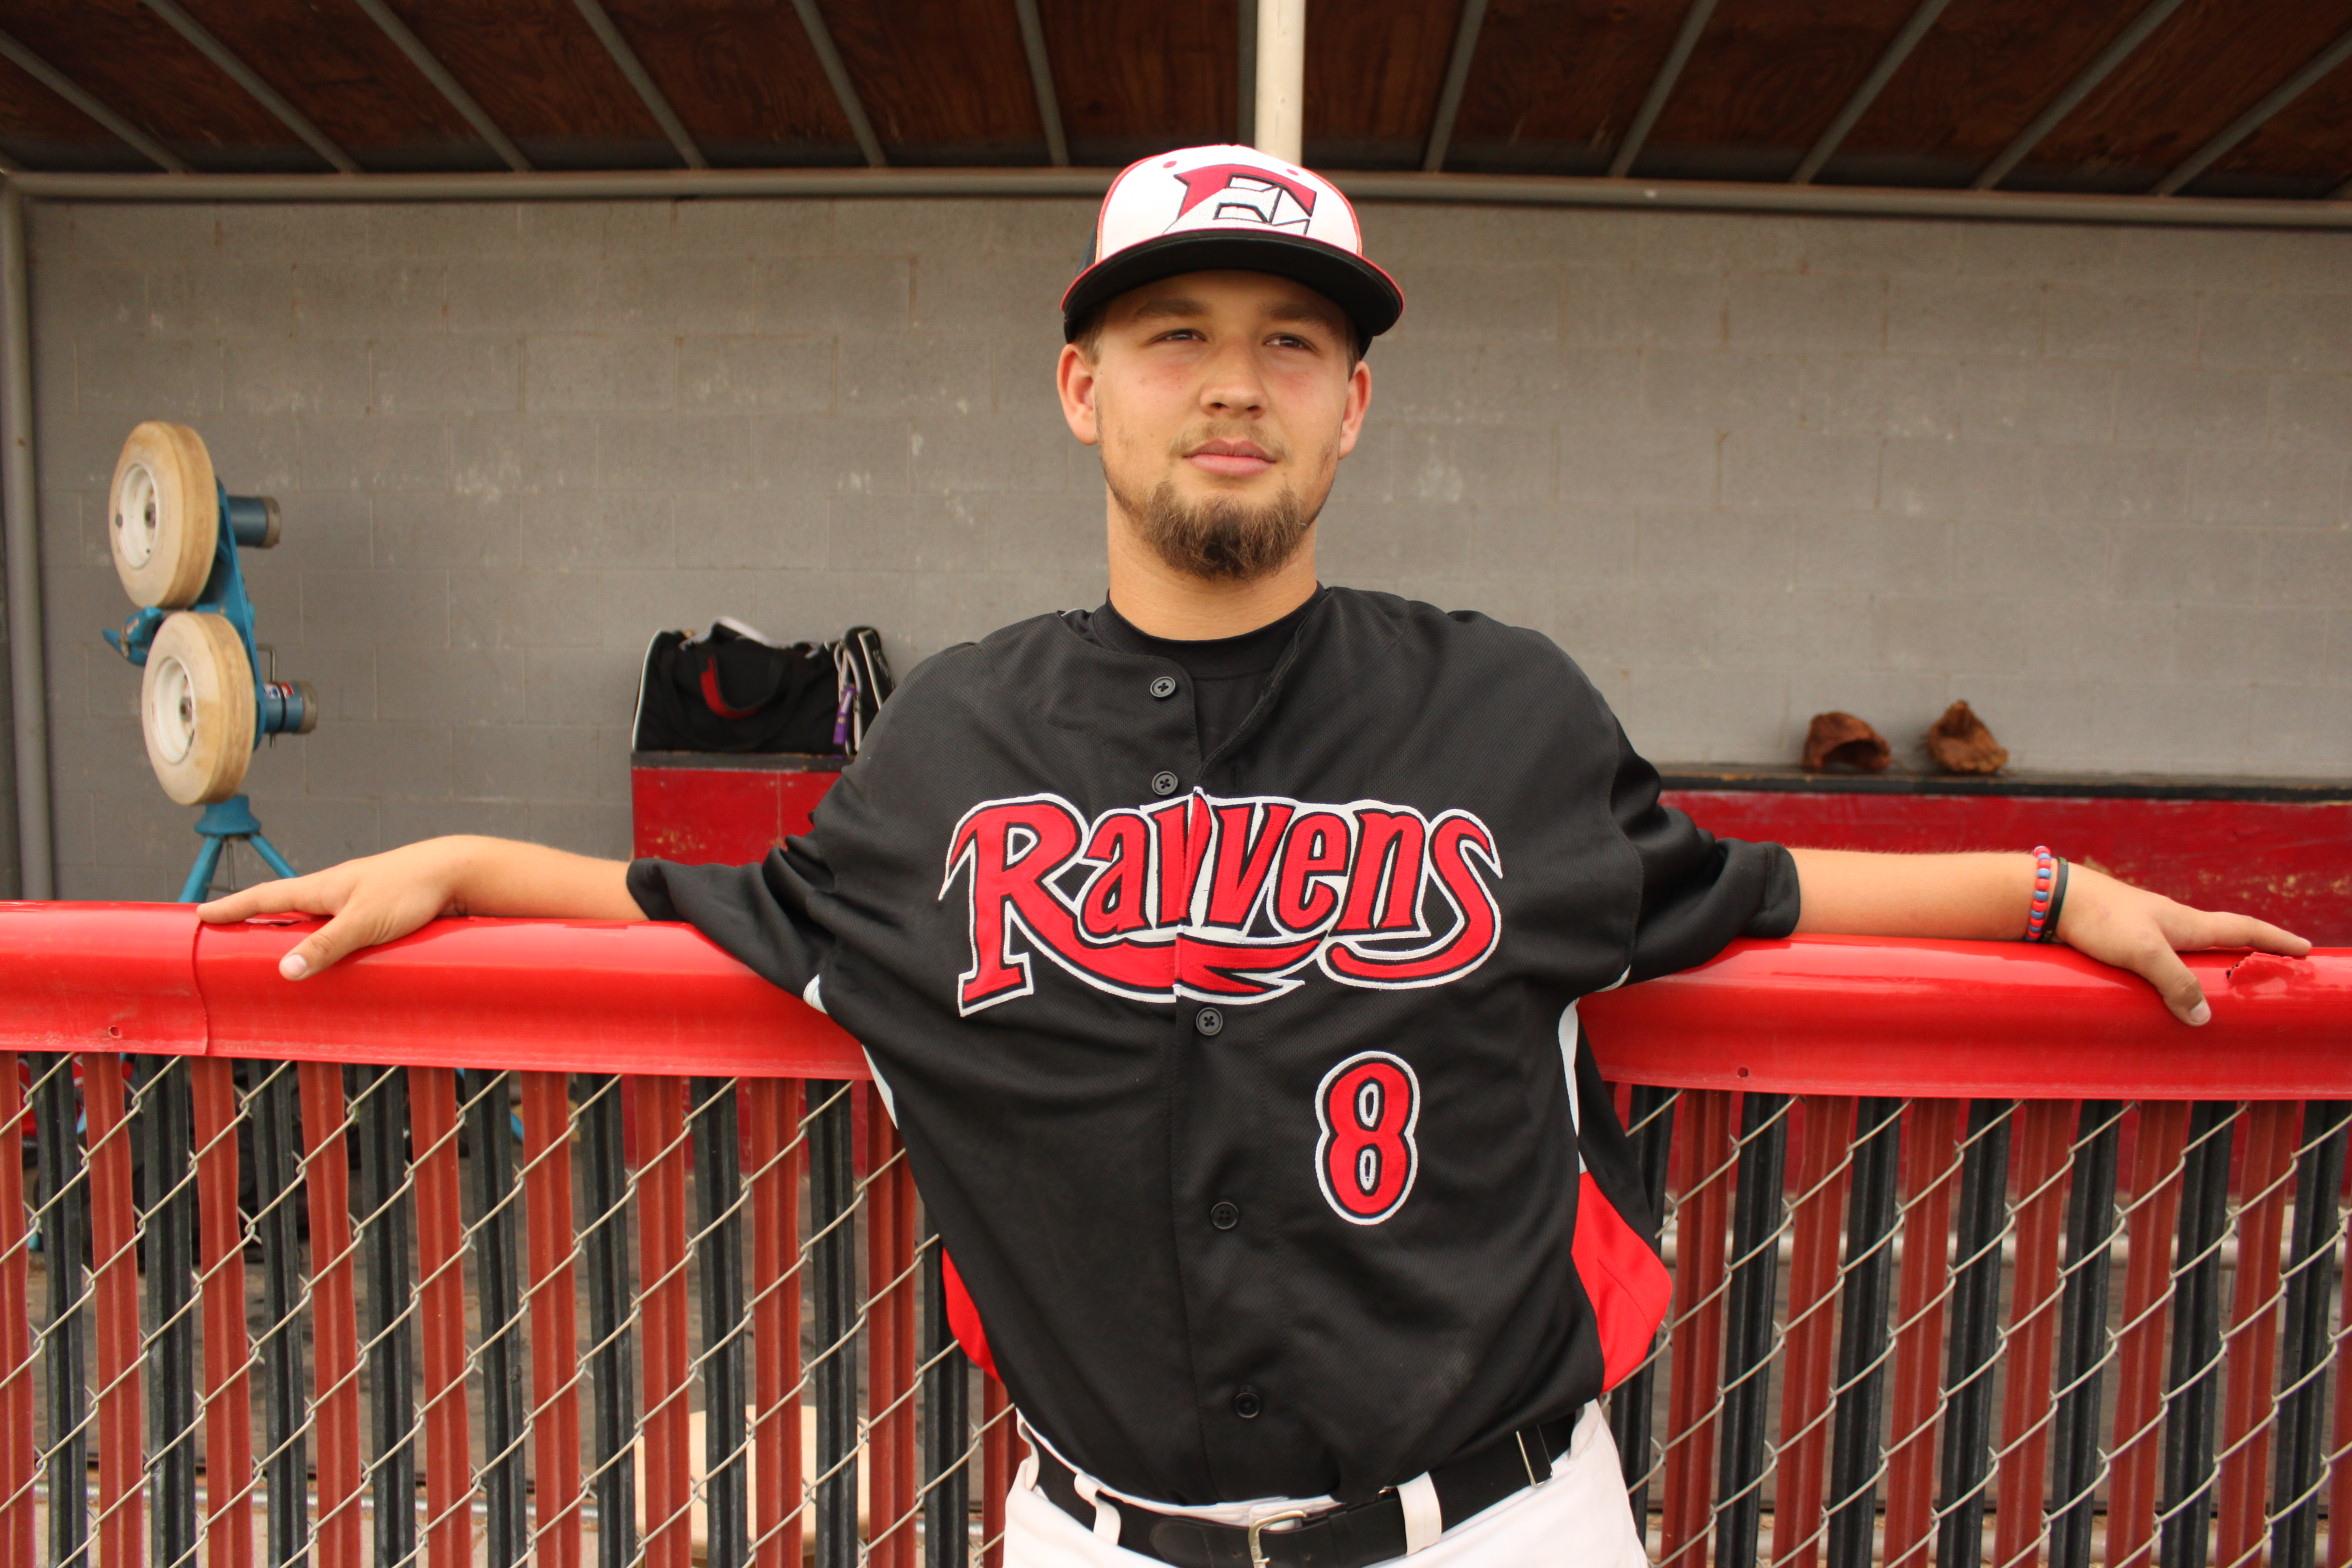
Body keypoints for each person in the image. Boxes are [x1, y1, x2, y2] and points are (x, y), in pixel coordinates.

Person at [199, 144, 2313, 1566]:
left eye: (1293, 342)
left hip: (1499, 1522)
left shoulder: (1501, 709)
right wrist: (470, 852)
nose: (1237, 387)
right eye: (1179, 339)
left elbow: (1749, 887)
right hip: (1099, 1523)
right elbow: (716, 912)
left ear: (1356, 409)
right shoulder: (949, 750)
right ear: (1080, 388)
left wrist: (2055, 892)